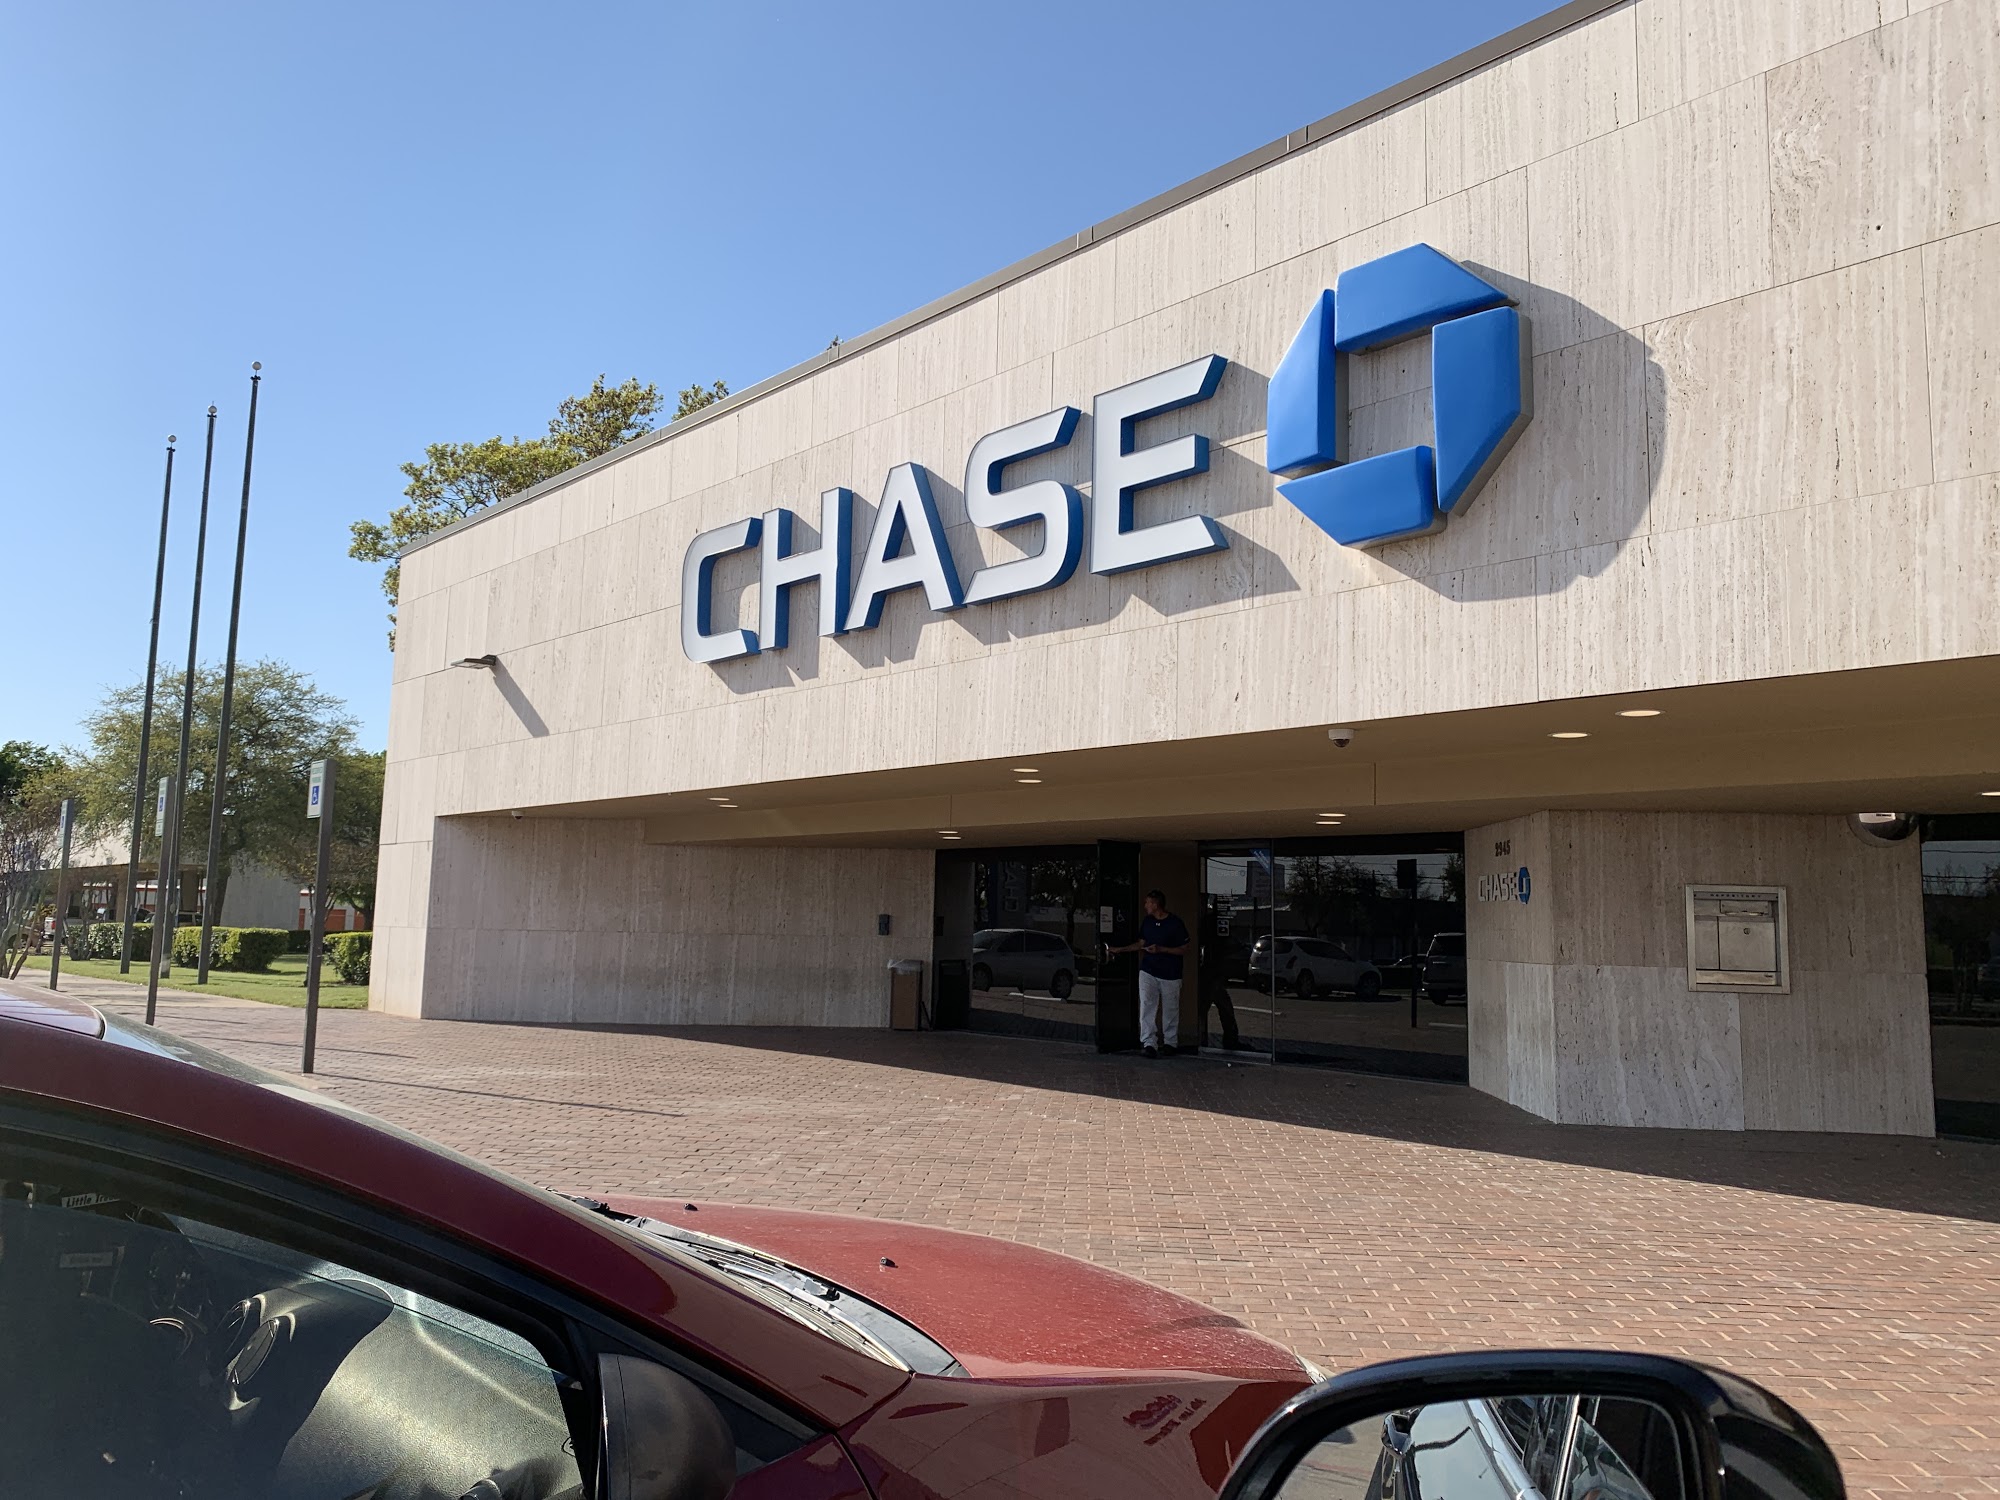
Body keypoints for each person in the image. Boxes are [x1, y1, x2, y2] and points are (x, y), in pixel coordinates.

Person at [1106, 889, 1190, 1059]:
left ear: (1156, 904)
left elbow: (1184, 948)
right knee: (1147, 1005)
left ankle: (1170, 1042)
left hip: (1170, 973)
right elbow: (1141, 944)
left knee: (1170, 1008)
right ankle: (1149, 1043)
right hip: (1148, 970)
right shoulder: (1148, 922)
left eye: (1148, 903)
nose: (1145, 906)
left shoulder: (1175, 923)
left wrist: (1162, 949)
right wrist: (1120, 949)